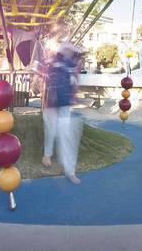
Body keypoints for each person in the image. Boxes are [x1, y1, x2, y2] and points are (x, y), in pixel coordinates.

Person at [42, 42, 82, 184]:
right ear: (64, 51)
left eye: (72, 52)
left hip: (63, 103)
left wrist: (73, 95)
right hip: (51, 104)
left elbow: (74, 82)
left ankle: (69, 171)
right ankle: (47, 155)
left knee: (64, 135)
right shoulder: (54, 62)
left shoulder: (70, 65)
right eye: (69, 51)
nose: (71, 53)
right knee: (51, 131)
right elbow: (47, 79)